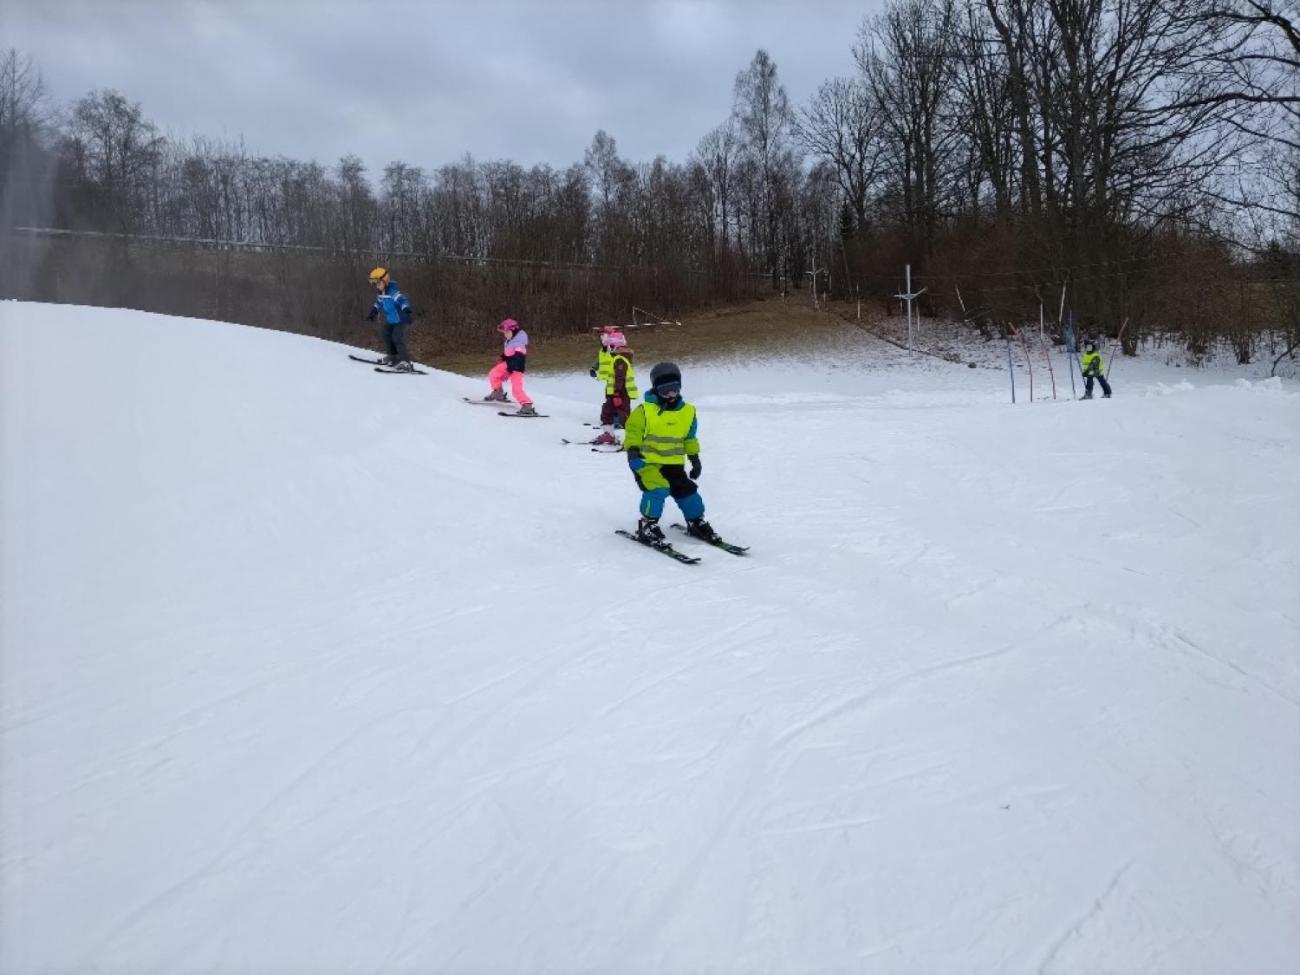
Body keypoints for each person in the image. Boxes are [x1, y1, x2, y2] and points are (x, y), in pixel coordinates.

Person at [623, 362, 720, 545]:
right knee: (658, 489)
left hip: (673, 465)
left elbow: (689, 438)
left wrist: (695, 459)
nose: (671, 395)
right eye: (665, 390)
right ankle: (647, 525)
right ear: (656, 389)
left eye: (674, 389)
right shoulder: (644, 411)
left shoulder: (688, 412)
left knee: (688, 492)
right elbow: (633, 432)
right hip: (646, 463)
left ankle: (696, 522)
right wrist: (633, 453)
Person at [589, 327, 638, 445]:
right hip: (613, 392)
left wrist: (616, 393)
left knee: (624, 415)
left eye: (611, 346)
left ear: (617, 346)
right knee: (606, 411)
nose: (609, 349)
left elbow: (620, 378)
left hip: (621, 392)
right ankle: (609, 435)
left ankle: (635, 437)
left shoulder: (620, 360)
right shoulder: (616, 358)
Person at [483, 318, 536, 415]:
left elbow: (519, 357)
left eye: (507, 332)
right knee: (493, 374)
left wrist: (512, 368)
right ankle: (498, 393)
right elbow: (509, 353)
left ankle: (527, 406)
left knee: (516, 389)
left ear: (514, 330)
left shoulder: (519, 344)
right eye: (504, 333)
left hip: (516, 369)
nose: (505, 334)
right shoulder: (510, 340)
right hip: (508, 364)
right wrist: (502, 357)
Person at [365, 267, 414, 370]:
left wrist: (407, 310)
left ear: (385, 281)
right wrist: (373, 312)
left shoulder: (393, 293)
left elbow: (402, 301)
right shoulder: (381, 294)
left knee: (397, 338)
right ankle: (393, 357)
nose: (376, 286)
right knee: (386, 334)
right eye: (374, 284)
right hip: (390, 320)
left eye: (378, 283)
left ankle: (406, 362)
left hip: (400, 320)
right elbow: (378, 304)